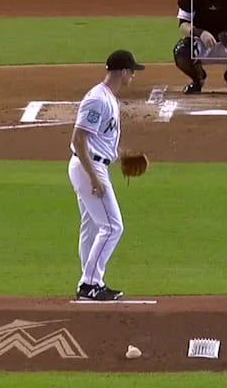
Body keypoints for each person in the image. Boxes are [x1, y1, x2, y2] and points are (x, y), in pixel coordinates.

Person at [69, 49, 145, 302]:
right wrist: (94, 178)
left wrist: (118, 153)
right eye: (132, 71)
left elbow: (98, 138)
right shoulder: (97, 99)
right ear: (123, 71)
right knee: (113, 226)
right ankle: (90, 283)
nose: (133, 75)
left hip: (93, 164)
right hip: (88, 167)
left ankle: (89, 281)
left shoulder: (109, 98)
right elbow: (78, 139)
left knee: (91, 228)